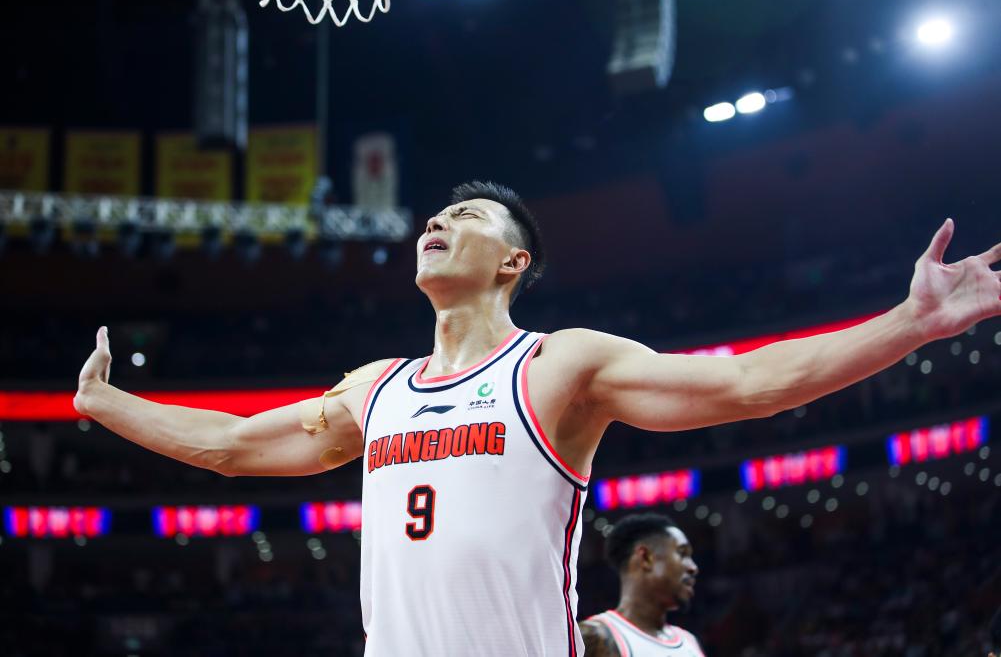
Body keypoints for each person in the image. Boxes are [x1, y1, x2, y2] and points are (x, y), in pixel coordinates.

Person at [73, 181, 1001, 656]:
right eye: (433, 217)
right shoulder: (374, 388)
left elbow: (750, 382)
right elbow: (231, 446)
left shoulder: (559, 365)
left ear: (513, 262)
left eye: (466, 216)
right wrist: (104, 402)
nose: (436, 222)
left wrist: (909, 323)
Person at [580, 514, 704, 656]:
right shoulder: (596, 636)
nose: (693, 568)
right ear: (646, 558)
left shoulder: (689, 641)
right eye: (682, 553)